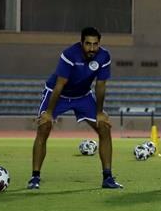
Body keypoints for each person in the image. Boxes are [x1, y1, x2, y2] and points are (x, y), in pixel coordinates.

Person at [27, 27, 122, 189]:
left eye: (95, 44)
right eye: (88, 44)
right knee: (44, 127)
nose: (92, 48)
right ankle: (35, 177)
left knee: (104, 127)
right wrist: (49, 113)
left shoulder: (104, 56)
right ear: (81, 43)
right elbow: (59, 85)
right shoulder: (69, 54)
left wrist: (99, 112)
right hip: (58, 94)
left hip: (83, 96)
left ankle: (108, 178)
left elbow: (100, 85)